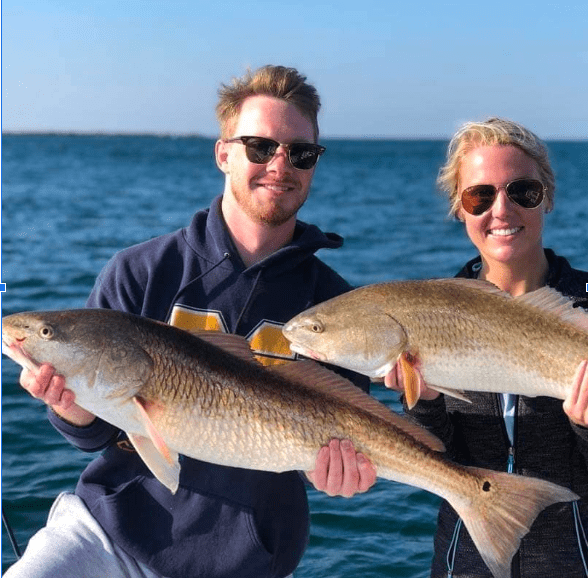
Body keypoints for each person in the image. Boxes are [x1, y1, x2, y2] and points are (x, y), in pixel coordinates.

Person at [8, 65, 377, 578]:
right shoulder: (139, 272)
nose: (280, 164)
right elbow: (93, 438)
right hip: (105, 534)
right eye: (259, 146)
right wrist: (68, 407)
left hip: (247, 563)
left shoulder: (336, 306)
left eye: (301, 152)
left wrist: (343, 476)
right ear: (223, 154)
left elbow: (345, 444)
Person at [386, 117, 588, 577]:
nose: (501, 210)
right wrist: (425, 404)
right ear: (460, 208)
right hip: (466, 563)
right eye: (480, 196)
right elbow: (436, 467)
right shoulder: (429, 316)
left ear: (548, 198)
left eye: (523, 192)